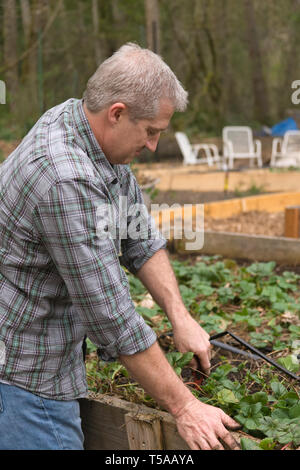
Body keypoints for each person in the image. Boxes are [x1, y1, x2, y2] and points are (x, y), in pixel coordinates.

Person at [0, 43, 240, 450]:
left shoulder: (84, 127)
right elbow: (110, 315)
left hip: (49, 353)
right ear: (117, 112)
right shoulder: (64, 177)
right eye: (151, 131)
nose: (153, 146)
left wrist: (179, 316)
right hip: (27, 376)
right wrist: (185, 408)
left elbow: (138, 235)